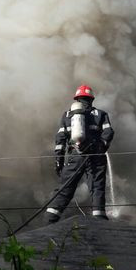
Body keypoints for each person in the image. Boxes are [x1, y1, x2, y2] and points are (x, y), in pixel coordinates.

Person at [45, 85, 114, 223]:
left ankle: (50, 218)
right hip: (95, 156)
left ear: (77, 99)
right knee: (97, 187)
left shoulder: (67, 115)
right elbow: (109, 132)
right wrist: (100, 148)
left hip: (75, 156)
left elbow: (60, 138)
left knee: (65, 188)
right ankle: (99, 218)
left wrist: (59, 159)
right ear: (91, 99)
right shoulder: (100, 114)